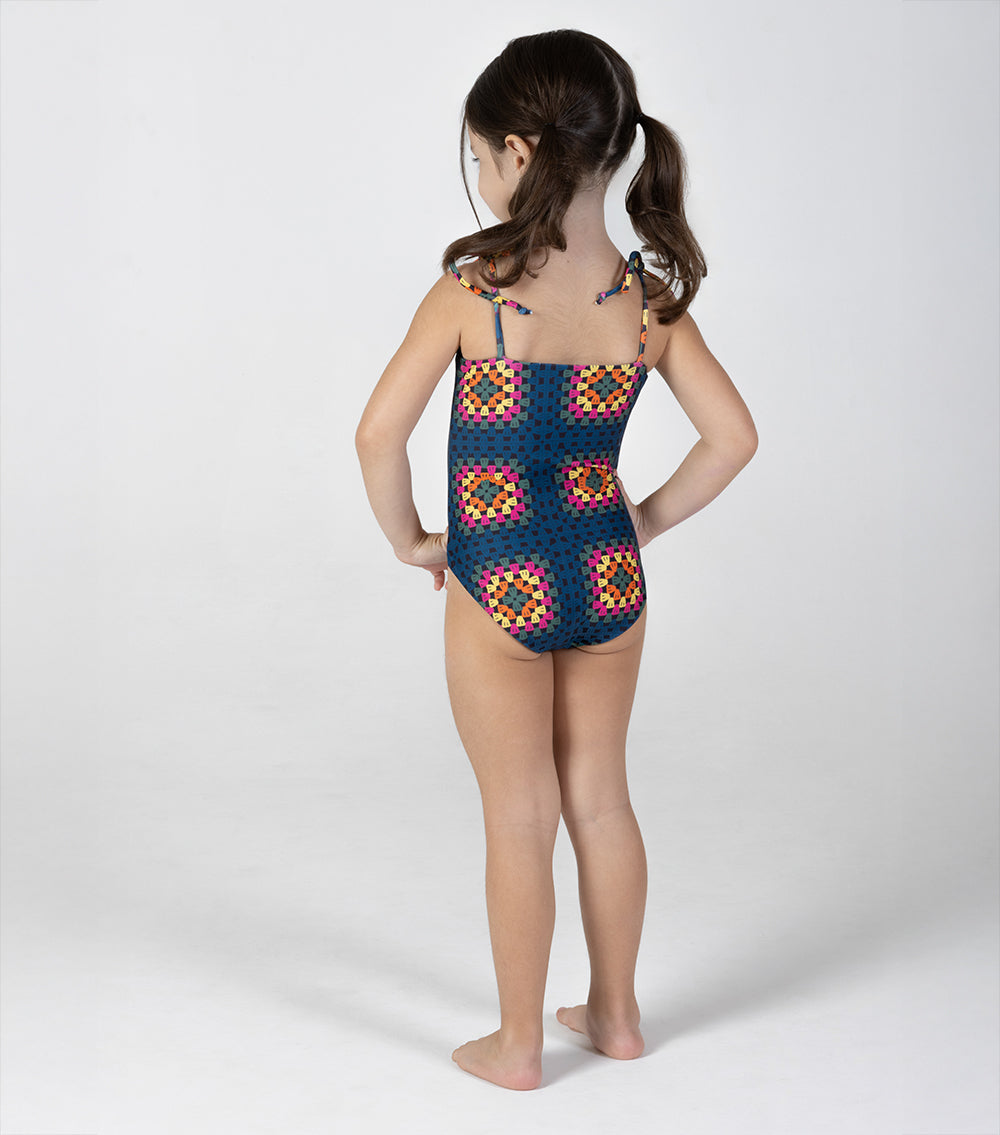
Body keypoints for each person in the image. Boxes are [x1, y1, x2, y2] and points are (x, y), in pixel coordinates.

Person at [355, 28, 757, 1091]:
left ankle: (519, 1042)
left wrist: (411, 540)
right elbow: (733, 438)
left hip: (498, 578)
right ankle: (617, 1017)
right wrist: (641, 524)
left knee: (518, 812)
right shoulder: (647, 302)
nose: (481, 175)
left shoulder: (476, 293)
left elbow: (375, 436)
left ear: (521, 151)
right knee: (602, 799)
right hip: (608, 577)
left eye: (481, 155)